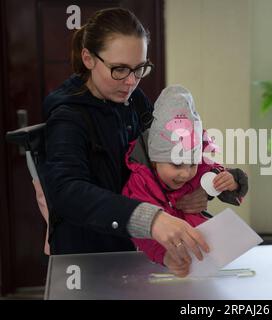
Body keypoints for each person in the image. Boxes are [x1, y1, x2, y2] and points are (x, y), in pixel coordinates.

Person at [41, 8, 210, 266]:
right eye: (119, 69)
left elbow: (164, 155)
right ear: (88, 58)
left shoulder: (134, 102)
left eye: (139, 68)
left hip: (136, 249)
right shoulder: (68, 117)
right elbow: (66, 192)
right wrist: (151, 219)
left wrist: (196, 188)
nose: (131, 81)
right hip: (90, 256)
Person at [122, 85, 248, 277]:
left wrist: (232, 181)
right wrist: (165, 256)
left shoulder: (199, 170)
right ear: (155, 160)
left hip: (204, 261)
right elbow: (141, 232)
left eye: (192, 164)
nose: (186, 174)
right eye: (176, 165)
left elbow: (218, 175)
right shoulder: (141, 183)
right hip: (158, 267)